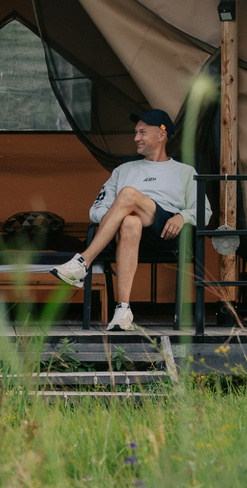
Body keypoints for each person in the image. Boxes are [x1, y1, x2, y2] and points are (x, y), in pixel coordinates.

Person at [50, 109, 209, 331]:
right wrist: (118, 215)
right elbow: (96, 210)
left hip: (166, 232)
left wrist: (183, 216)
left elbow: (205, 212)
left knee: (128, 195)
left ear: (161, 135)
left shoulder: (185, 172)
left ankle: (83, 262)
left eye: (142, 132)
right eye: (136, 133)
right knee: (130, 221)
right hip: (126, 235)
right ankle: (123, 310)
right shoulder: (123, 170)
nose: (136, 138)